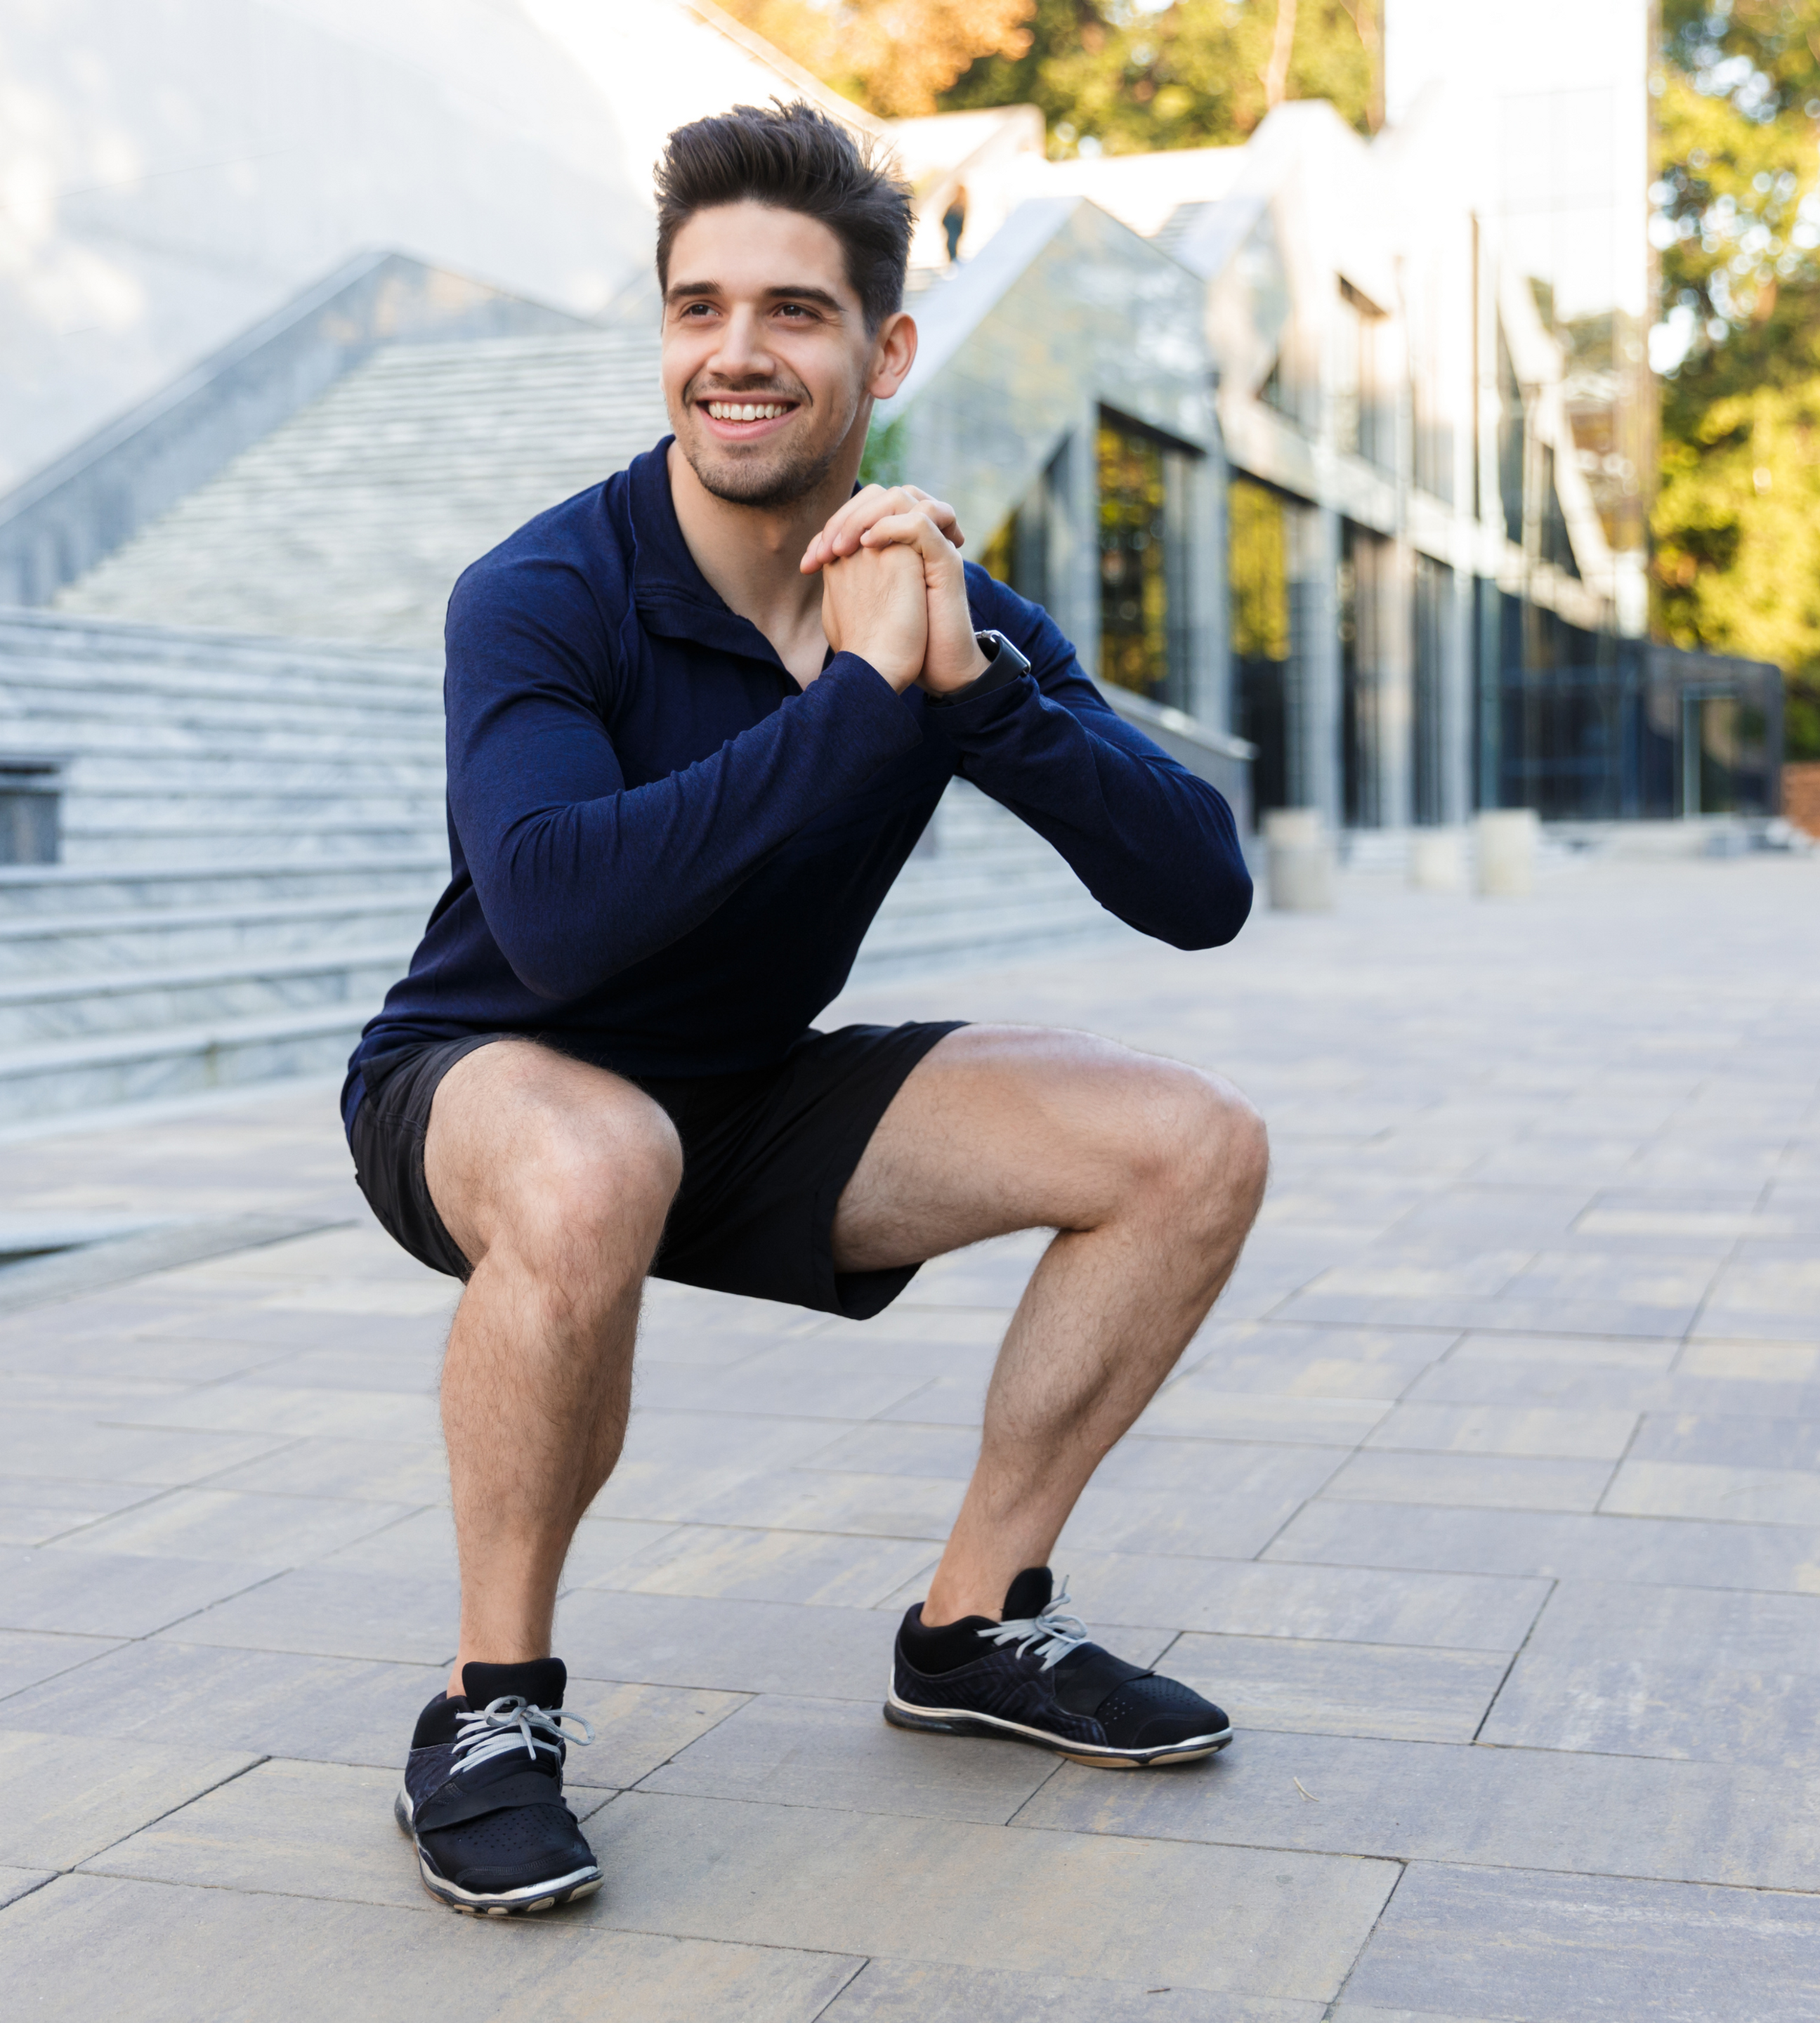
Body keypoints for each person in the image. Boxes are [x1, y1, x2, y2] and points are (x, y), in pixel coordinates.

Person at [344, 100, 1266, 1918]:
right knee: (600, 1157)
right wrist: (857, 705)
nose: (735, 355)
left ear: (885, 349)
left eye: (791, 312)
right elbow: (559, 920)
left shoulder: (928, 602)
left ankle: (975, 1627)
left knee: (1192, 1148)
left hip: (748, 1098)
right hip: (492, 1076)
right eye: (697, 310)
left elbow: (1201, 889)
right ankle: (489, 1707)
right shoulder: (544, 591)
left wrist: (976, 691)